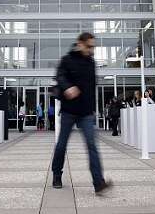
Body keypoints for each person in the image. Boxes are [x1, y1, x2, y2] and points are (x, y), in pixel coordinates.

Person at [51, 32, 111, 194]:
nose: (91, 50)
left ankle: (98, 182)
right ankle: (57, 174)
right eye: (89, 46)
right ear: (80, 43)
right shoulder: (67, 60)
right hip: (69, 111)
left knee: (92, 145)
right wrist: (68, 87)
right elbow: (59, 76)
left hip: (85, 112)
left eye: (93, 47)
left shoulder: (91, 62)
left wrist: (92, 109)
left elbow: (92, 88)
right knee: (62, 144)